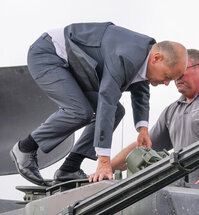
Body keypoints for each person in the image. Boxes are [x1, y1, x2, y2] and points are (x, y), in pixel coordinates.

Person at [9, 22, 187, 186]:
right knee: (80, 111)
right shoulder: (125, 57)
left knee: (117, 111)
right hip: (49, 54)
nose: (166, 83)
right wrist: (104, 162)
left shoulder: (144, 55)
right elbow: (106, 101)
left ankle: (69, 168)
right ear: (156, 58)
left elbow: (141, 91)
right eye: (167, 76)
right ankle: (25, 148)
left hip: (75, 65)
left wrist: (143, 130)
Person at [110, 49, 199, 186]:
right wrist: (107, 168)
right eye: (174, 73)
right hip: (187, 192)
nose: (176, 77)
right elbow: (143, 146)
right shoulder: (172, 110)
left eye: (181, 71)